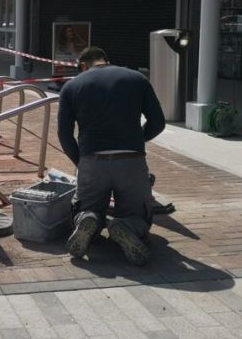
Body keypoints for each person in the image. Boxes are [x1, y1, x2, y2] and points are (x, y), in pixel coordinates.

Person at [57, 46, 165, 265]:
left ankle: (89, 220)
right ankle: (126, 226)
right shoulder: (136, 79)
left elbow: (64, 134)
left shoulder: (72, 86)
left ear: (84, 65)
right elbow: (158, 122)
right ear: (106, 60)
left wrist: (80, 161)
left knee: (85, 207)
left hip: (92, 159)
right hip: (131, 160)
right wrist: (136, 141)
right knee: (139, 214)